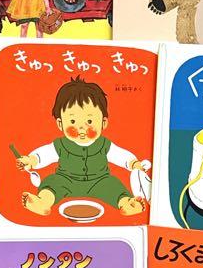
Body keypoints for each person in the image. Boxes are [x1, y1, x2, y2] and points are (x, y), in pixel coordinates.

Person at [18, 76, 149, 217]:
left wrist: (134, 163)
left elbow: (120, 155)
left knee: (114, 185)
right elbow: (44, 155)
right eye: (73, 121)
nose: (81, 128)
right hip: (65, 180)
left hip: (100, 181)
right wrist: (30, 160)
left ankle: (127, 203)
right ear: (60, 124)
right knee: (51, 183)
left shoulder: (104, 144)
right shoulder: (60, 144)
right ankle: (42, 202)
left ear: (104, 123)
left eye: (89, 121)